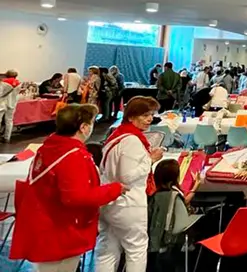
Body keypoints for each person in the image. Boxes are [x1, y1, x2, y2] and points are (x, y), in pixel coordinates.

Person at [10, 104, 123, 272]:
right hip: (60, 229)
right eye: (92, 122)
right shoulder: (73, 155)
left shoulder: (49, 147)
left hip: (43, 223)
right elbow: (77, 197)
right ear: (83, 127)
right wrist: (114, 189)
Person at [95, 97, 165, 272]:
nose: (150, 119)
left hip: (108, 201)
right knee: (136, 249)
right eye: (145, 115)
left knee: (107, 250)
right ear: (132, 117)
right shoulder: (132, 141)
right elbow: (127, 176)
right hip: (128, 203)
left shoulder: (116, 135)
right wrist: (151, 159)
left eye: (151, 115)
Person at [148, 159, 201, 272]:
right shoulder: (174, 194)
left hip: (159, 233)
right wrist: (195, 187)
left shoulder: (155, 195)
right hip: (176, 231)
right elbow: (185, 202)